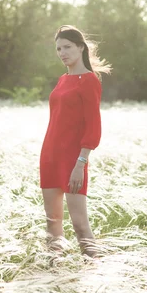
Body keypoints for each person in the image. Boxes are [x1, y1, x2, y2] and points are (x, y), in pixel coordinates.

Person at [39, 25, 111, 259]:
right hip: (49, 156)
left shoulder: (89, 81)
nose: (62, 53)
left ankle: (94, 273)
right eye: (58, 48)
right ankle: (54, 275)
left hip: (73, 160)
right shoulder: (62, 80)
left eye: (67, 47)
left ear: (81, 47)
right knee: (53, 223)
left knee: (80, 223)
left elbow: (93, 127)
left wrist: (81, 163)